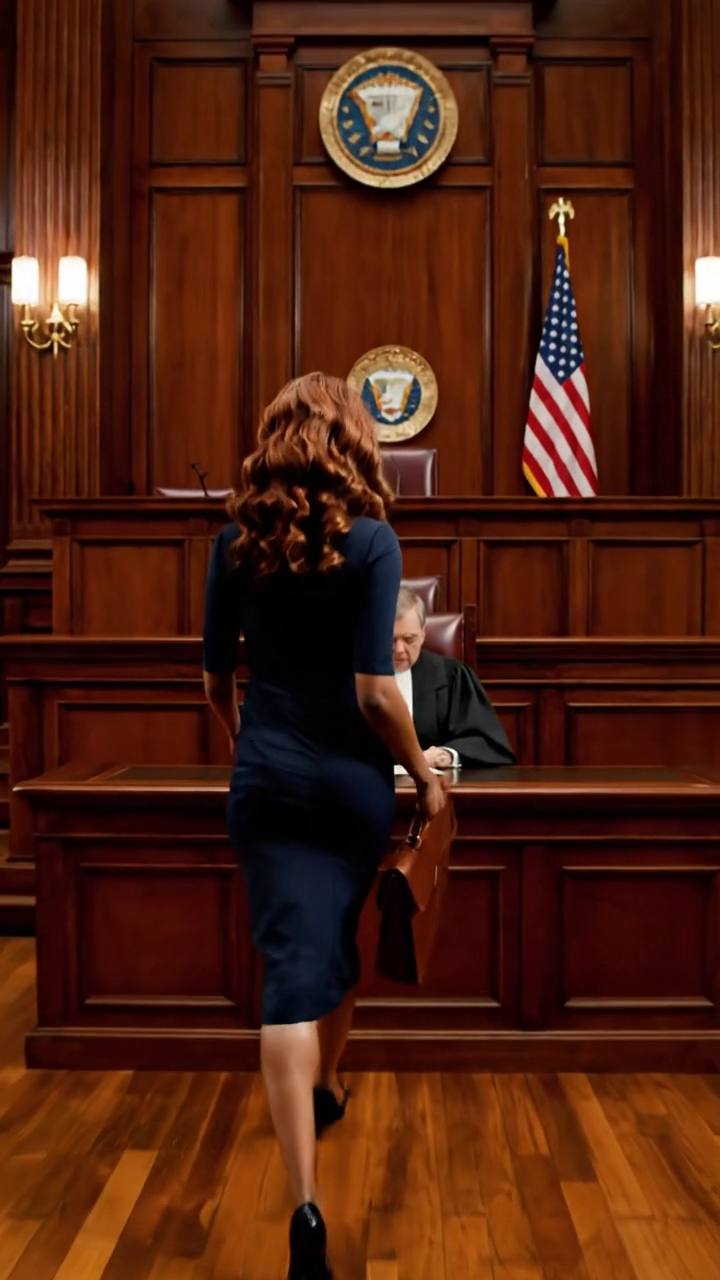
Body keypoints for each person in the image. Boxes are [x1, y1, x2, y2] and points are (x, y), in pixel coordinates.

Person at [202, 372, 447, 1280]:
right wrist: (424, 775)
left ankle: (306, 1188)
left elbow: (213, 681)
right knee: (332, 942)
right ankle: (325, 1098)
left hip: (265, 783)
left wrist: (250, 742)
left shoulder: (232, 543)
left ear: (274, 438)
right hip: (350, 786)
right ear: (355, 442)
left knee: (293, 968)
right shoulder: (374, 541)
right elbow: (376, 692)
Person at [393, 585, 516, 769]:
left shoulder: (451, 676)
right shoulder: (351, 676)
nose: (399, 650)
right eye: (389, 640)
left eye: (409, 639)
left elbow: (487, 743)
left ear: (424, 633)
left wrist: (445, 754)